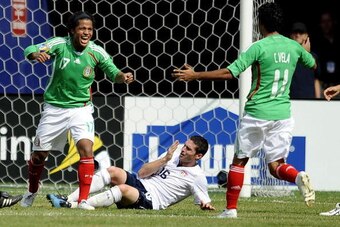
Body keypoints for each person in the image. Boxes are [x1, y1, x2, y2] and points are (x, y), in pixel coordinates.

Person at [172, 2, 316, 218]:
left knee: (239, 161)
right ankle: (298, 177)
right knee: (276, 166)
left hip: (258, 112)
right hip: (283, 115)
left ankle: (230, 209)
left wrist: (196, 75)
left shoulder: (259, 47)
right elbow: (312, 64)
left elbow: (231, 72)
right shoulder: (293, 46)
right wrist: (305, 50)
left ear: (260, 23)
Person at [21, 11, 134, 210]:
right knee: (39, 156)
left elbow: (113, 71)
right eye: (82, 28)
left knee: (86, 149)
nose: (86, 32)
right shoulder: (59, 44)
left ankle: (82, 200)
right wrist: (36, 54)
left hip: (81, 109)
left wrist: (122, 77)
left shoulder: (96, 51)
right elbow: (30, 48)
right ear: (72, 30)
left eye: (90, 29)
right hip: (54, 108)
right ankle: (31, 190)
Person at [46, 136, 215, 211]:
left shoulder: (197, 176)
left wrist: (205, 204)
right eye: (184, 146)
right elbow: (141, 173)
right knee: (113, 171)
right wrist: (165, 159)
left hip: (152, 201)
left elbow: (204, 199)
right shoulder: (172, 155)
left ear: (198, 156)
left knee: (122, 188)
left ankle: (74, 206)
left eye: (188, 149)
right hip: (143, 184)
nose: (183, 150)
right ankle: (68, 199)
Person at [289, 22, 321, 99]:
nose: (297, 35)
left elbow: (316, 80)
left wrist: (318, 100)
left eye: (301, 32)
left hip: (310, 100)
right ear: (290, 36)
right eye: (295, 32)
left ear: (306, 35)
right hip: (291, 100)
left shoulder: (314, 57)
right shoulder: (287, 55)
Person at [312, 10, 340, 98]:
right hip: (323, 86)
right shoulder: (317, 42)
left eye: (328, 21)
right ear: (320, 24)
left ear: (333, 22)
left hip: (338, 86)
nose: (326, 24)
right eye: (324, 22)